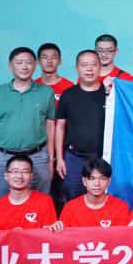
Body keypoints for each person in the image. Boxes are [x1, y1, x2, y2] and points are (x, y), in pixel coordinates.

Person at [0, 47, 55, 199]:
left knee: (40, 201)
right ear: (10, 66)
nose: (24, 67)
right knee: (4, 201)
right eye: (19, 62)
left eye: (29, 62)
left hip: (38, 156)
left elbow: (50, 127)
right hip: (4, 157)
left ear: (35, 65)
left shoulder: (46, 92)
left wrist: (50, 158)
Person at [54, 50, 108, 199]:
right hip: (75, 158)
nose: (89, 69)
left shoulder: (109, 94)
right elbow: (60, 127)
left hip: (102, 157)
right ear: (77, 68)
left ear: (100, 67)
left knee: (102, 199)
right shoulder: (68, 95)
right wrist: (60, 159)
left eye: (93, 65)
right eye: (84, 65)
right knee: (72, 197)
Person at [0, 153, 59, 231]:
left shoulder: (44, 201)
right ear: (6, 176)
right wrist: (11, 235)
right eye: (15, 171)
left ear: (31, 176)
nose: (19, 176)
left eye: (25, 172)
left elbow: (48, 235)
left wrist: (23, 234)